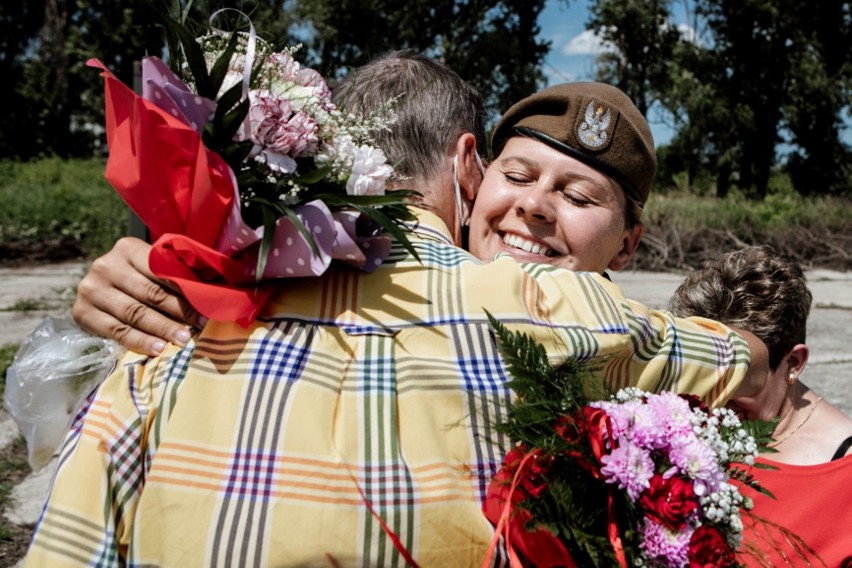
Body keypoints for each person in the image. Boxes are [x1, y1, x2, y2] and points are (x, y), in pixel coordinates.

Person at [25, 52, 766, 567]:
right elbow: (743, 363)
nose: (534, 209)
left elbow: (71, 545)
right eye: (518, 174)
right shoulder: (562, 312)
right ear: (470, 168)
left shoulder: (186, 320)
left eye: (577, 197)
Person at [669, 245, 852, 566]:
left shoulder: (843, 475)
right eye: (700, 372)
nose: (715, 398)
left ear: (793, 363)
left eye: (735, 376)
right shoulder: (676, 429)